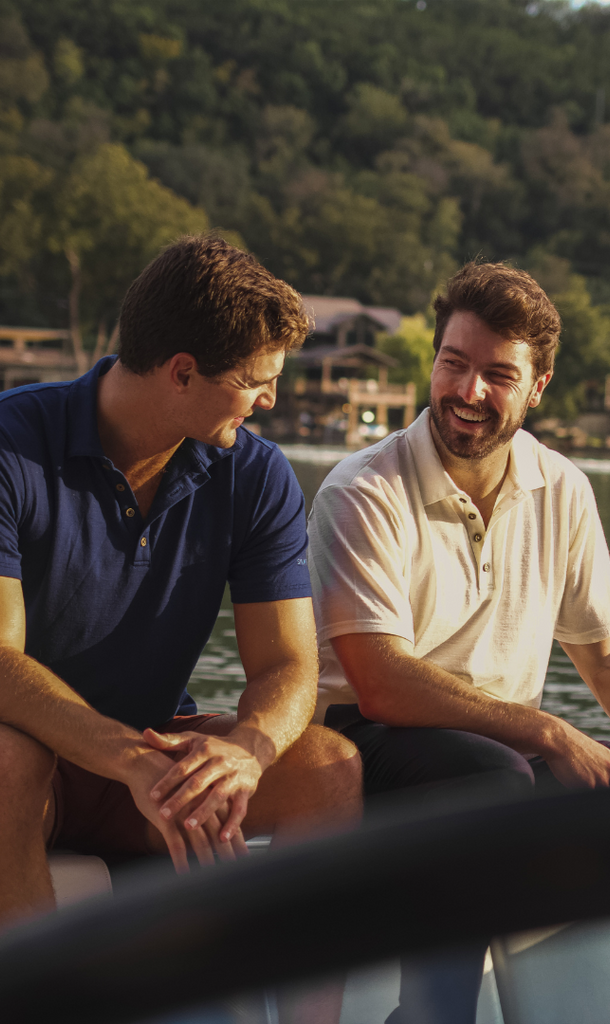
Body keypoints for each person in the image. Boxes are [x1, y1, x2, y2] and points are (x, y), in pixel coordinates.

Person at [307, 261, 610, 1024]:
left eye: (497, 375)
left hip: (508, 754)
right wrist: (550, 731)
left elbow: (605, 655)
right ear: (433, 360)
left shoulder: (562, 487)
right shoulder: (361, 490)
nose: (467, 391)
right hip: (375, 749)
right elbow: (379, 681)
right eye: (453, 363)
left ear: (537, 387)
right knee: (488, 774)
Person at [0, 235, 362, 953]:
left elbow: (288, 667)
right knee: (8, 762)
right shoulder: (12, 444)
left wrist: (248, 754)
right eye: (257, 379)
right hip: (24, 756)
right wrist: (128, 759)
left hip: (147, 749)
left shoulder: (255, 475)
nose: (270, 398)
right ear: (182, 372)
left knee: (327, 766)